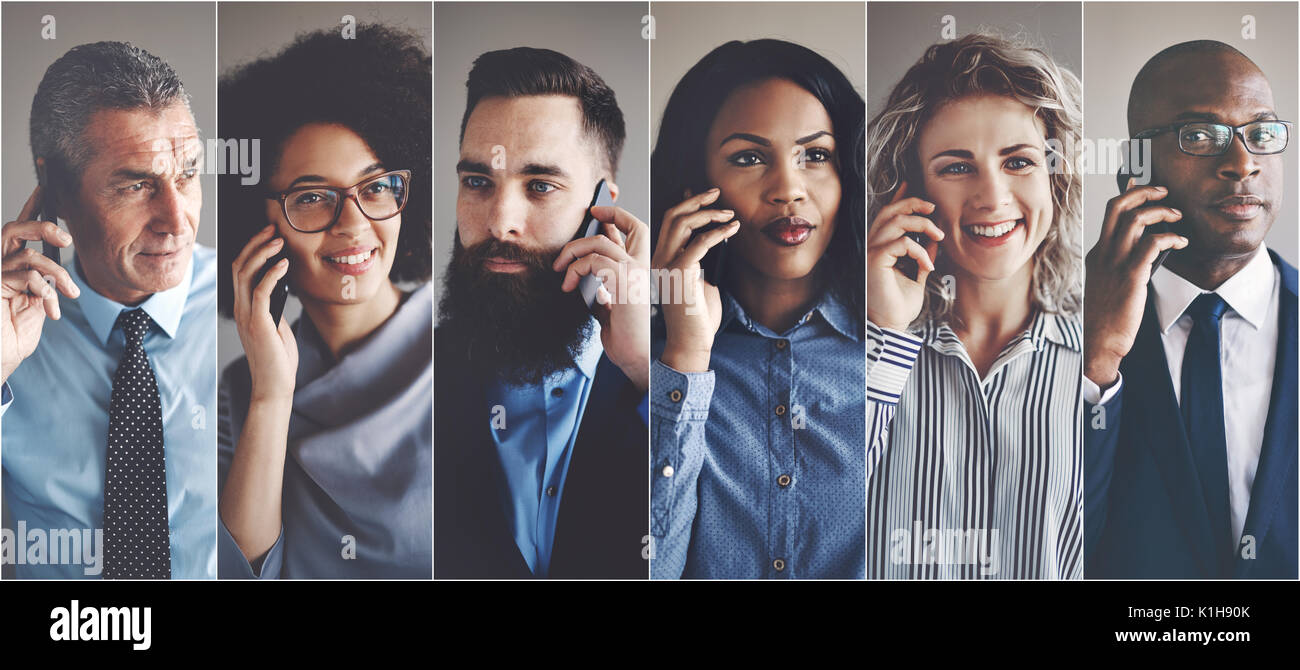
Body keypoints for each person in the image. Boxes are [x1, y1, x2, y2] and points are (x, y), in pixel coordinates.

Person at [216, 25, 432, 579]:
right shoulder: (241, 390)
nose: (354, 223)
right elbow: (241, 571)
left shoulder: (462, 348)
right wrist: (271, 398)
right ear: (255, 222)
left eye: (378, 186)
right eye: (312, 197)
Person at [866, 33, 1084, 579]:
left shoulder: (1105, 354)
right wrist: (884, 333)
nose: (992, 196)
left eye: (1018, 161)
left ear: (1055, 179)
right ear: (911, 191)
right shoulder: (860, 344)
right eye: (957, 167)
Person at [649, 39, 866, 579]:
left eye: (816, 156)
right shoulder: (641, 361)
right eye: (749, 158)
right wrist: (685, 356)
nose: (788, 189)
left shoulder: (903, 352)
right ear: (694, 187)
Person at [1, 41, 215, 579]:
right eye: (136, 185)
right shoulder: (10, 326)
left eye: (188, 173)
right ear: (55, 191)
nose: (176, 219)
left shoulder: (255, 307)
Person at [1084, 40, 1297, 579]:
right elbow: (1042, 538)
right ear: (1133, 166)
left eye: (1262, 133)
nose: (1242, 163)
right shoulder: (1060, 337)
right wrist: (1095, 359)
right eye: (1200, 136)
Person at [436, 47, 650, 579]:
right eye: (478, 182)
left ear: (603, 208)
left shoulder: (679, 376)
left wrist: (648, 372)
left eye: (540, 186)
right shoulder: (410, 378)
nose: (500, 222)